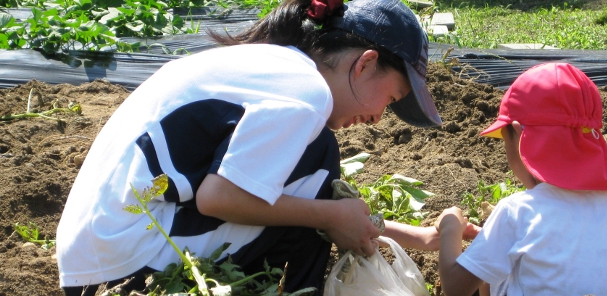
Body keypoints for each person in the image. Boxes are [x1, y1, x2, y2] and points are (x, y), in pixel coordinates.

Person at [56, 0, 480, 295]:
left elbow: (278, 195)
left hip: (98, 258)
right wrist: (331, 216)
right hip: (124, 269)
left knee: (316, 170)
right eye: (389, 98)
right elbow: (220, 197)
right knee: (320, 162)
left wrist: (418, 237)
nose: (377, 118)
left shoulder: (277, 67)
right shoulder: (306, 92)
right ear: (365, 63)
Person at [434, 62, 607, 296]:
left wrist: (451, 227)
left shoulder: (518, 210)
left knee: (489, 275)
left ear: (519, 135)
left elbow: (455, 289)